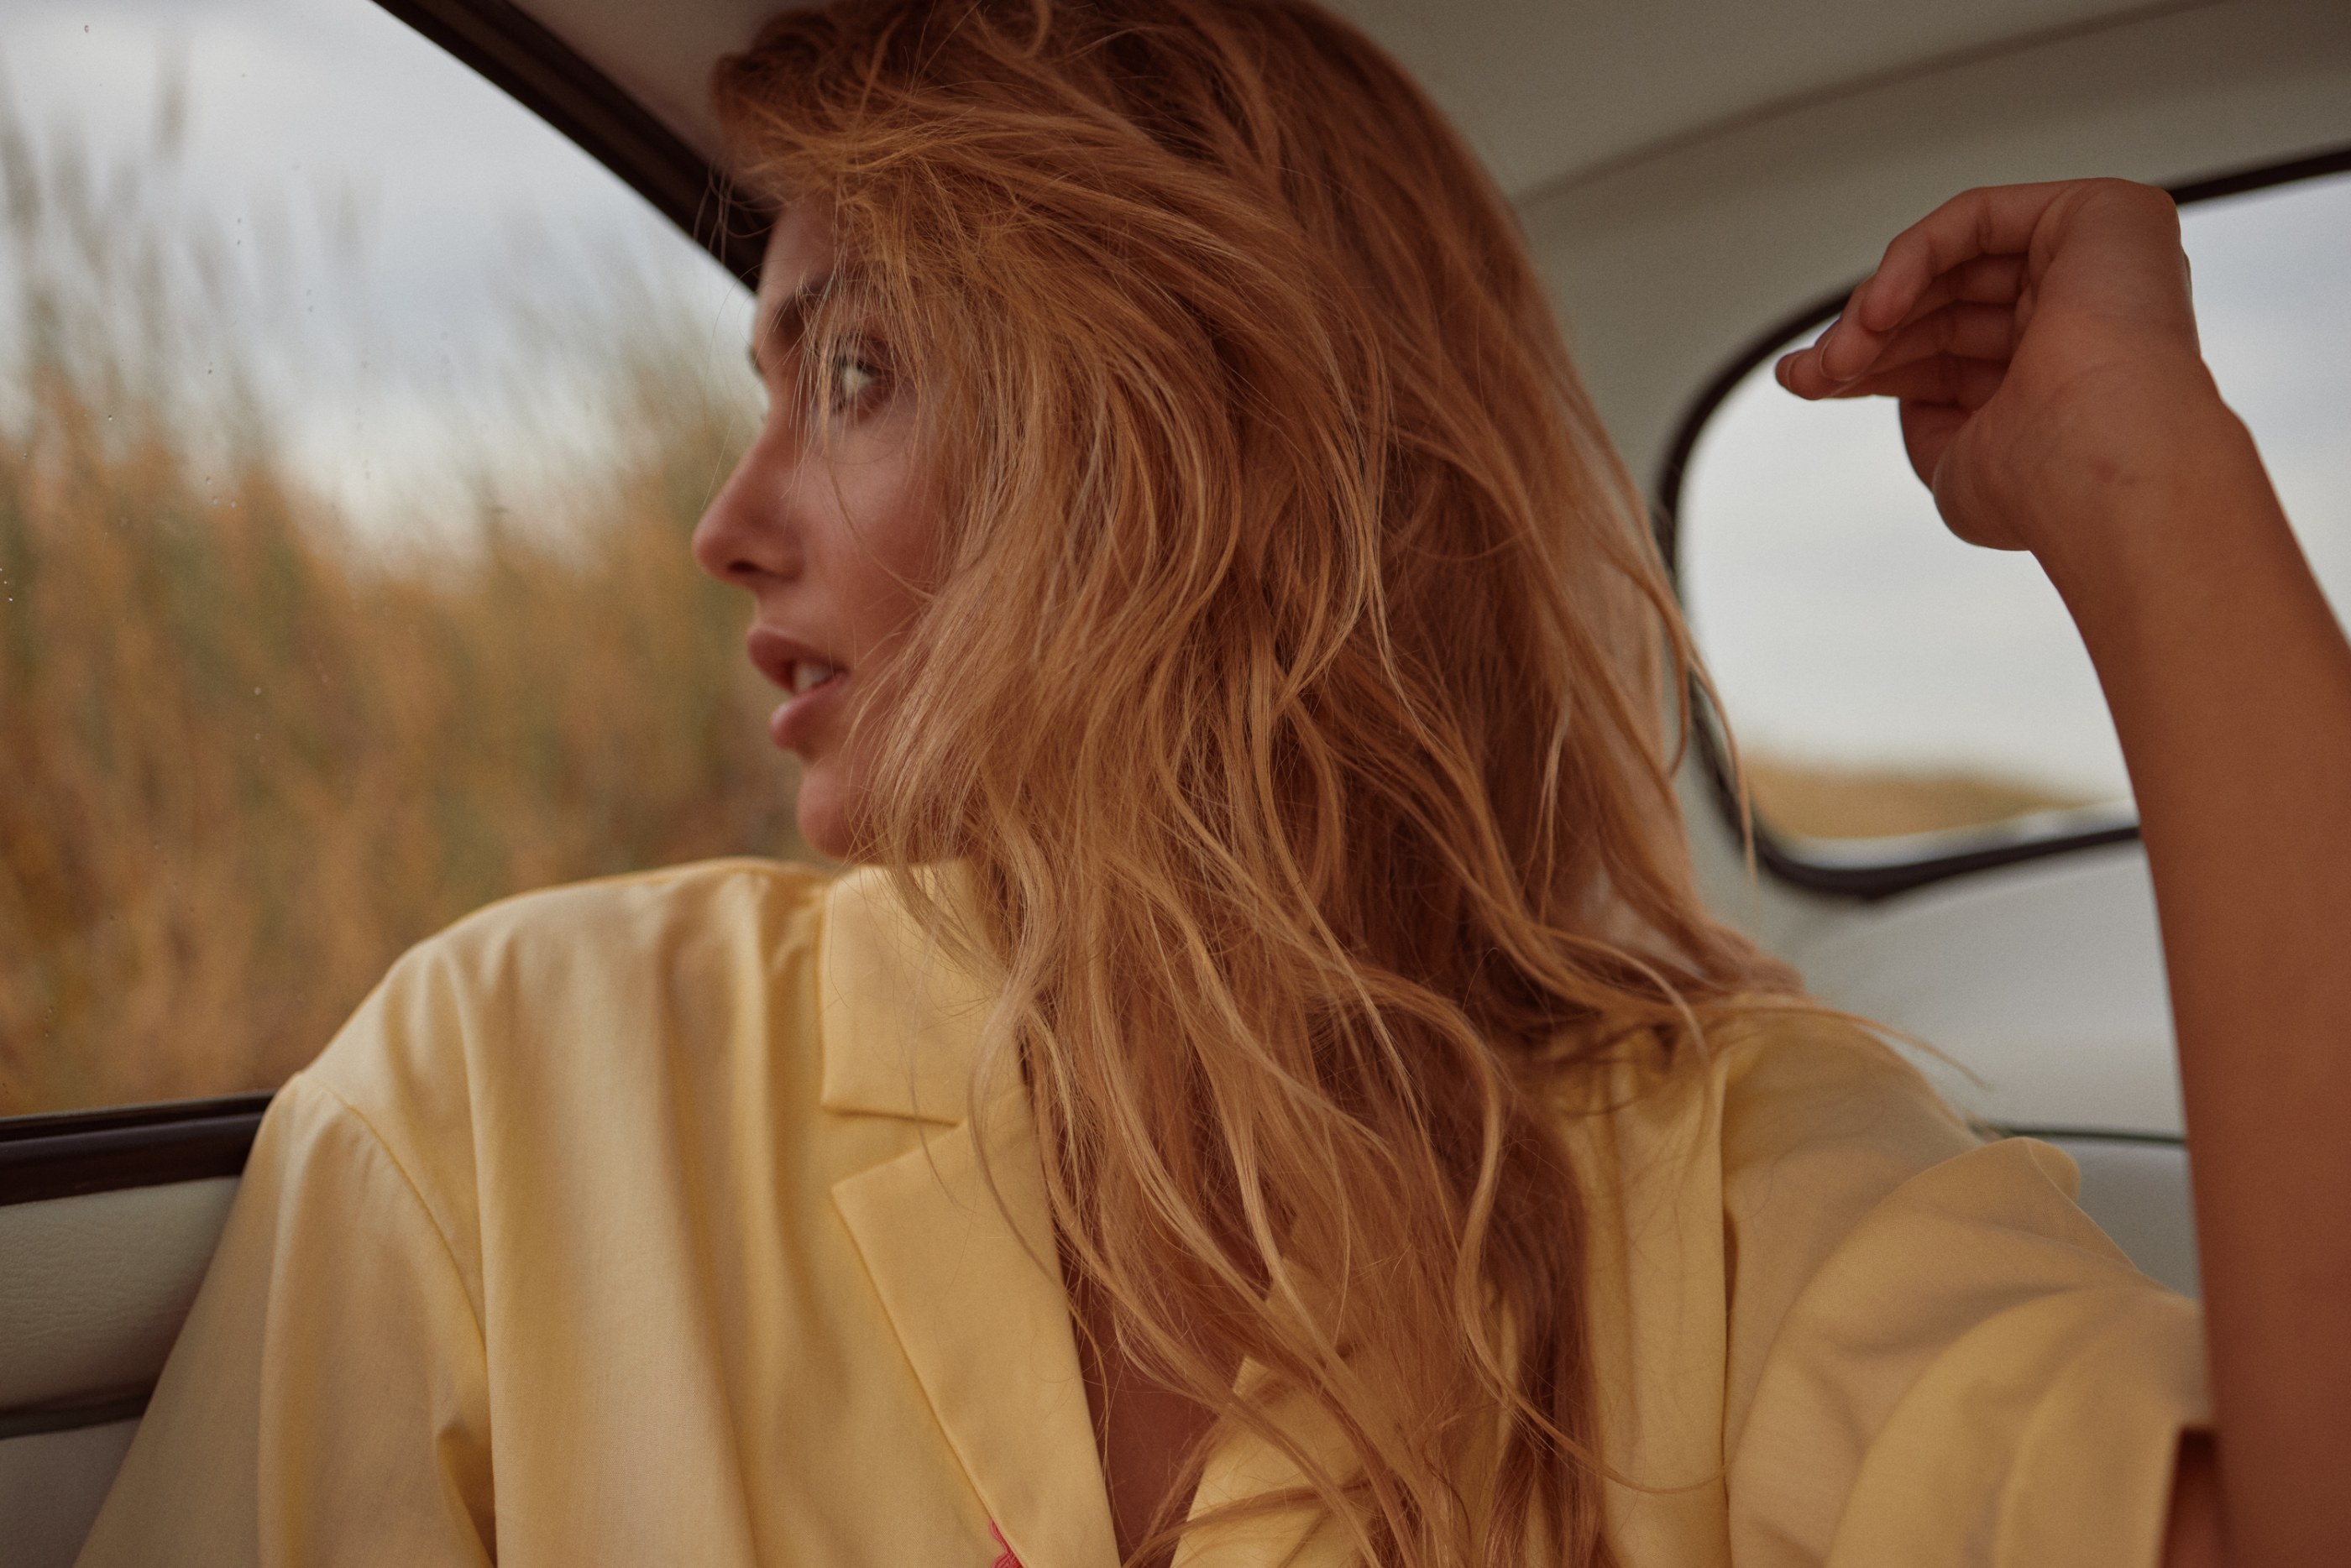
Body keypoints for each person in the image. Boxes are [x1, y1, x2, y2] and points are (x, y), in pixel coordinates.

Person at [76, 0, 2351, 1565]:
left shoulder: (1732, 1185)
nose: (728, 517)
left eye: (856, 365)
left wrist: (2152, 489)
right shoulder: (502, 1091)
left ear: (1197, 433)